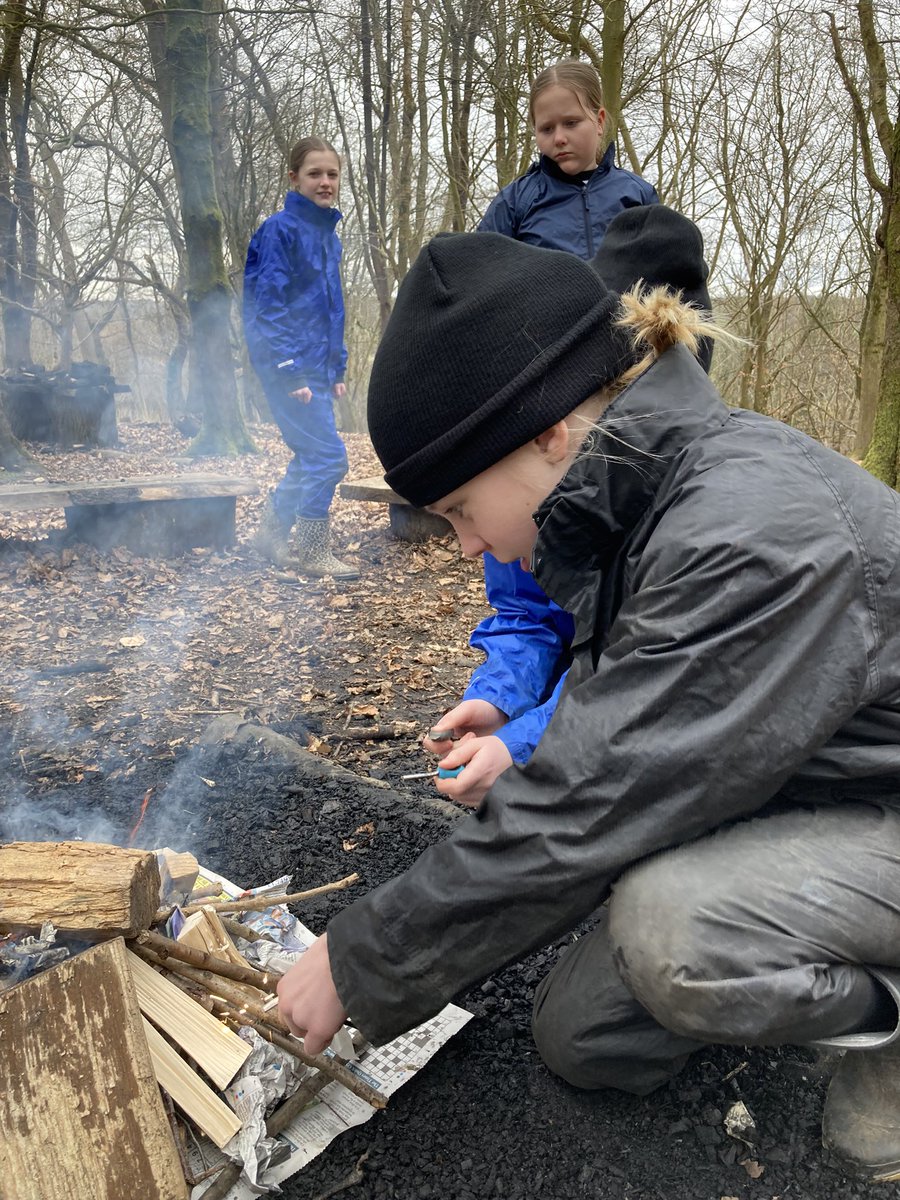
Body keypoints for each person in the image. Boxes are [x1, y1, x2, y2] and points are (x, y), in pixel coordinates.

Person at [278, 210, 900, 1183]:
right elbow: (636, 708)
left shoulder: (749, 538)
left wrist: (357, 960)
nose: (467, 546)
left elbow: (591, 801)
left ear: (551, 431)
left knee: (675, 934)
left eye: (458, 510)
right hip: (810, 783)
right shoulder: (631, 497)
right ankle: (794, 958)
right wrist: (526, 728)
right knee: (586, 1038)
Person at [426, 60, 659, 804]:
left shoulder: (635, 198)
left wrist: (523, 745)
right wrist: (498, 704)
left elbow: (642, 668)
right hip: (534, 384)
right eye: (544, 127)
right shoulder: (519, 201)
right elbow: (523, 611)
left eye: (570, 123)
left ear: (601, 120)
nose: (557, 137)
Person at [242, 136, 358, 579]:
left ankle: (269, 535)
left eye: (332, 174)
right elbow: (267, 307)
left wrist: (337, 367)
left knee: (310, 455)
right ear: (294, 178)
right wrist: (289, 370)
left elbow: (331, 307)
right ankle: (312, 550)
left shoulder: (328, 235)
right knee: (329, 458)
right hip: (286, 367)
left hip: (315, 367)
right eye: (315, 174)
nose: (325, 182)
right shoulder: (280, 230)